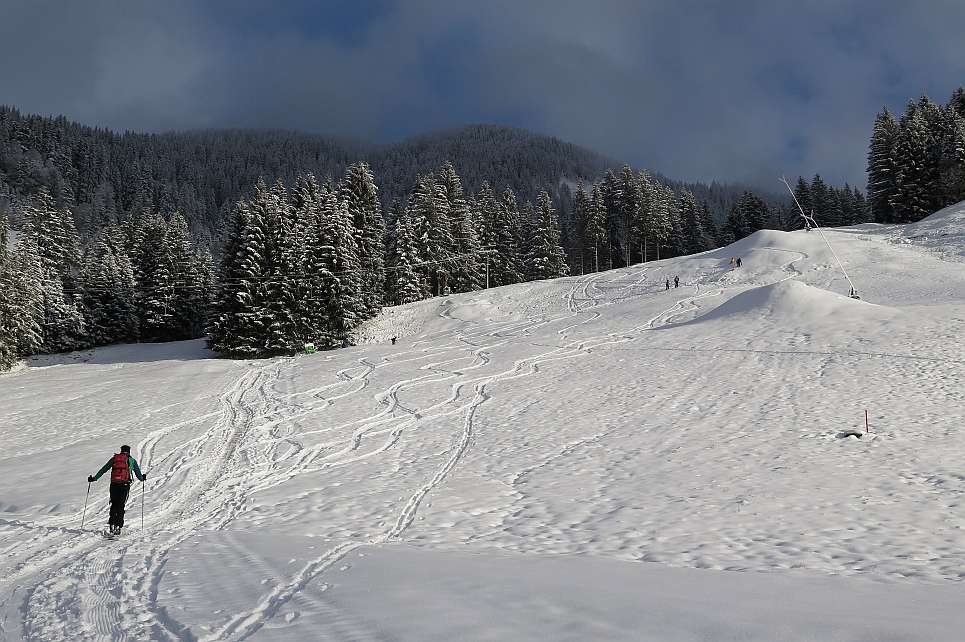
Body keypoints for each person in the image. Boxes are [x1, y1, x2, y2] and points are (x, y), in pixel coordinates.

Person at [88, 445, 146, 536]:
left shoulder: (114, 459)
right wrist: (143, 478)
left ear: (121, 451)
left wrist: (94, 478)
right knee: (121, 505)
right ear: (129, 452)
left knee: (114, 504)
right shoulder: (131, 461)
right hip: (125, 485)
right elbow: (139, 475)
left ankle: (111, 525)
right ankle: (119, 526)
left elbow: (103, 469)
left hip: (114, 484)